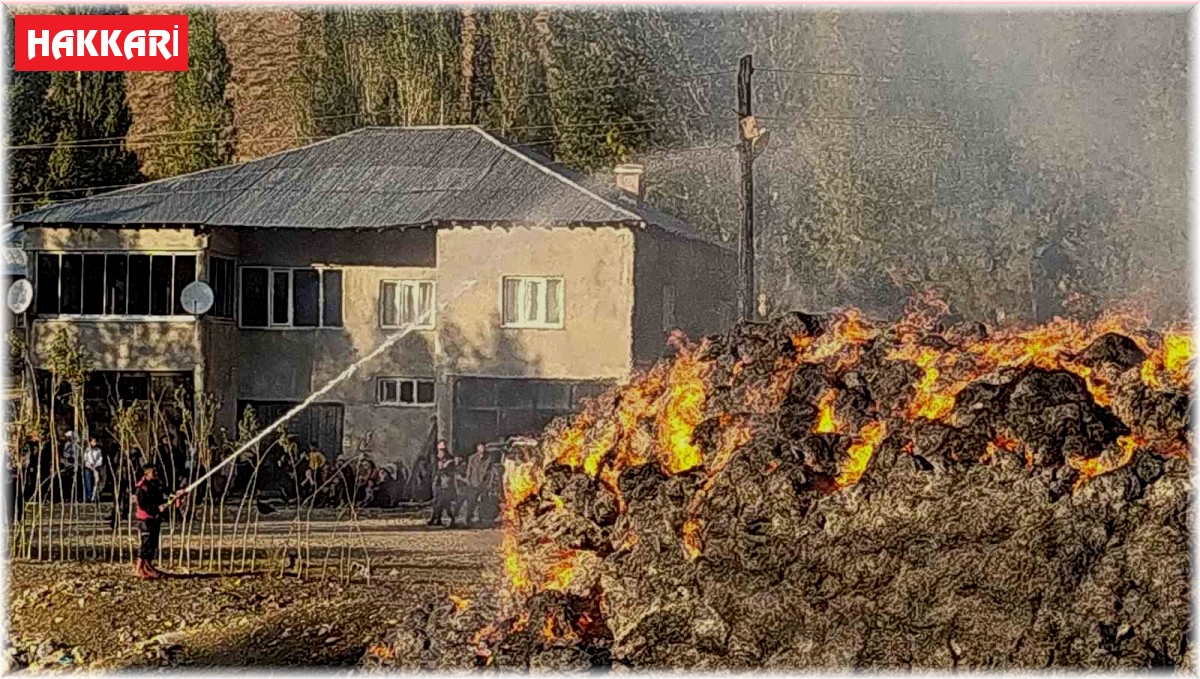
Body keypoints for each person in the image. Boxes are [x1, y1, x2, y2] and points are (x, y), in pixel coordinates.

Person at [133, 464, 180, 579]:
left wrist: (175, 494)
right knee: (146, 543)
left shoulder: (157, 484)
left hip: (155, 518)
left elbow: (166, 492)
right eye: (153, 472)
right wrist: (157, 508)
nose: (156, 474)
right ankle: (139, 568)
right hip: (145, 519)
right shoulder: (141, 488)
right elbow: (143, 504)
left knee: (153, 544)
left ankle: (148, 566)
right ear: (147, 474)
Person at [428, 441, 458, 528]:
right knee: (437, 503)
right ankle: (437, 519)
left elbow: (448, 473)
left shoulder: (450, 462)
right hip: (438, 484)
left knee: (445, 504)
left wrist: (442, 469)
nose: (439, 453)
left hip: (446, 485)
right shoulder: (438, 462)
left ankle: (448, 520)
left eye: (441, 451)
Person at [462, 443, 491, 526]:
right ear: (477, 449)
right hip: (474, 482)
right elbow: (469, 470)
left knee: (483, 501)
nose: (482, 449)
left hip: (483, 483)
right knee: (472, 501)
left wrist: (487, 482)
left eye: (483, 447)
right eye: (481, 447)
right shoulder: (472, 458)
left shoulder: (488, 457)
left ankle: (481, 518)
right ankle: (468, 518)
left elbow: (489, 470)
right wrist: (469, 481)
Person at [82, 436, 104, 502]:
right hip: (88, 468)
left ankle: (94, 497)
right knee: (88, 482)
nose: (95, 443)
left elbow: (100, 459)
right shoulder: (86, 450)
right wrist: (89, 465)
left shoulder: (98, 450)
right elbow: (85, 459)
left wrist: (96, 465)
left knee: (96, 482)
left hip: (96, 468)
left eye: (95, 442)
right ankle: (88, 496)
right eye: (93, 442)